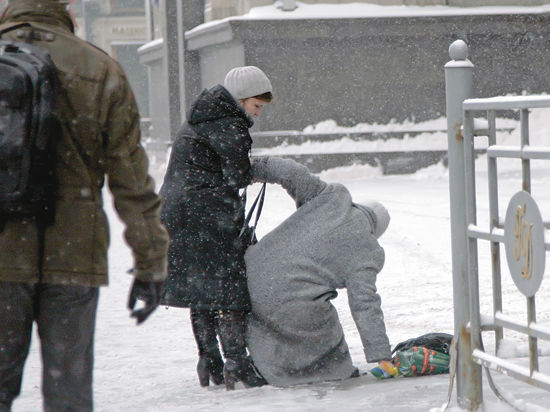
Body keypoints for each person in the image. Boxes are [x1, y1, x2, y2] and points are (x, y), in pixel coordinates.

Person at [0, 1, 169, 411]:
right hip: (74, 255)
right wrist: (151, 261)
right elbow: (132, 181)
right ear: (66, 7)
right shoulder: (101, 69)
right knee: (69, 396)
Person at [159, 66, 272, 389]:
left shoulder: (202, 115)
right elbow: (238, 176)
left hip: (175, 212)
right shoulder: (229, 123)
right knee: (229, 289)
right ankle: (238, 363)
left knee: (202, 289)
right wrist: (259, 170)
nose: (258, 114)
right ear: (241, 99)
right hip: (206, 215)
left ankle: (209, 361)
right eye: (256, 106)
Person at [245, 156, 393, 386]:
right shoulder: (367, 249)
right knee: (319, 323)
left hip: (248, 276)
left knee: (283, 303)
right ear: (375, 231)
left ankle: (260, 362)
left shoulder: (331, 198)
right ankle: (320, 371)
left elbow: (292, 172)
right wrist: (381, 354)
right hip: (285, 298)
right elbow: (365, 304)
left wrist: (252, 168)